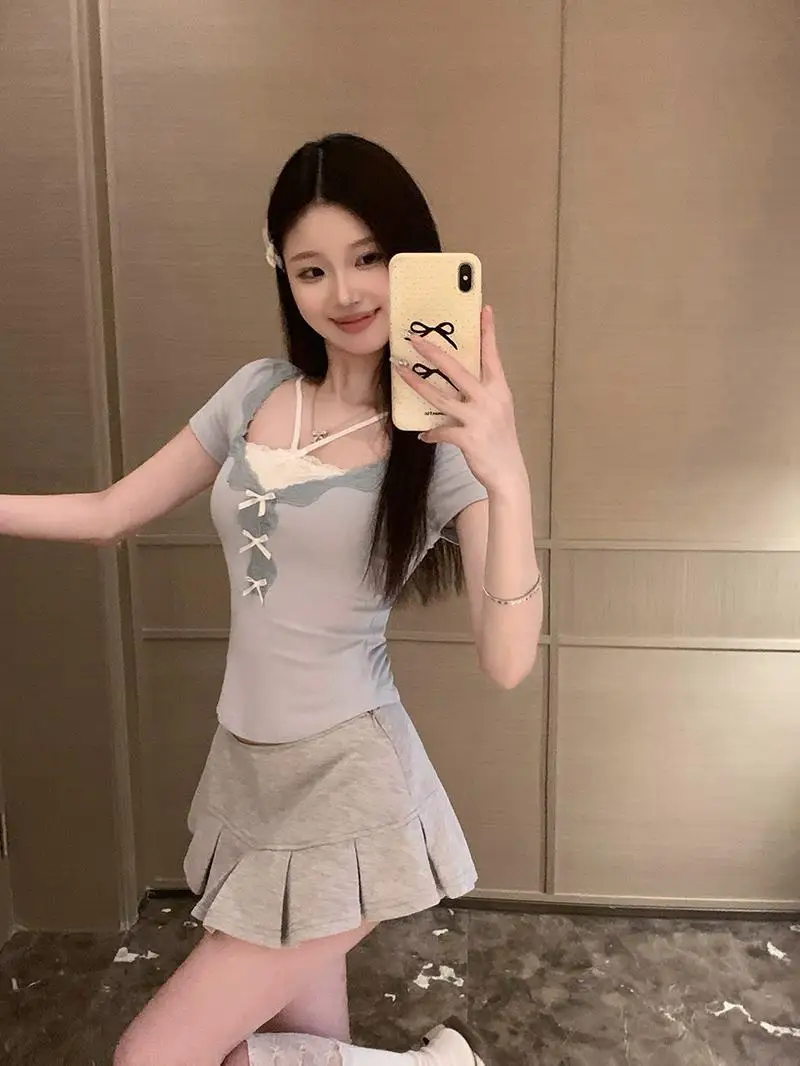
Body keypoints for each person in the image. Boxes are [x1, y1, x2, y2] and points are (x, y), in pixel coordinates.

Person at [0, 133, 543, 1065]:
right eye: (312, 269)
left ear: (413, 259)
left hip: (345, 779)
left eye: (370, 258)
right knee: (294, 1051)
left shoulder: (442, 447)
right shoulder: (255, 392)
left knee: (150, 1058)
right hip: (246, 771)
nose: (346, 292)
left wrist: (508, 472)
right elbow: (107, 512)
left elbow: (507, 660)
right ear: (285, 278)